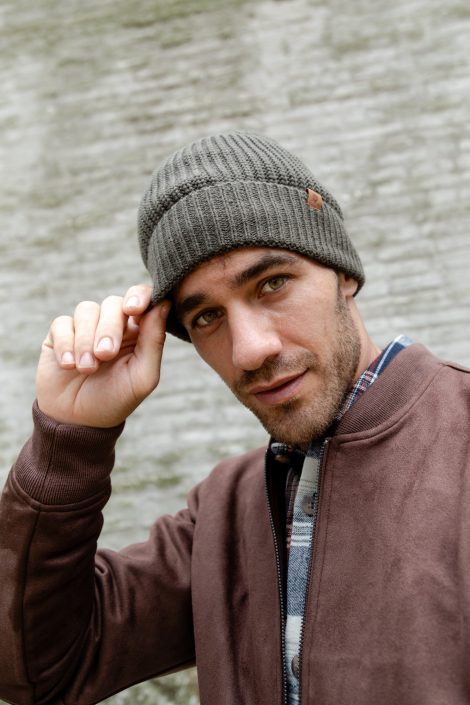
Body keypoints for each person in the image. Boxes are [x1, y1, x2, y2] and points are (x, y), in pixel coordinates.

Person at [1, 131, 469, 705]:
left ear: (343, 273)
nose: (249, 350)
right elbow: (35, 669)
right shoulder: (222, 517)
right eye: (206, 317)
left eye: (272, 284)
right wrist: (71, 439)